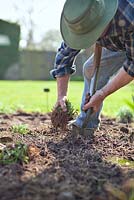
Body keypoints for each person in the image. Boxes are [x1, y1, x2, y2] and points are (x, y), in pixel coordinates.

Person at [50, 0, 134, 134]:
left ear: (103, 20)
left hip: (129, 36)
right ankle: (87, 124)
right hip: (120, 43)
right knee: (90, 69)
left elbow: (132, 66)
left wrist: (102, 94)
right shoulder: (82, 19)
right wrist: (62, 96)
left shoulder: (129, 15)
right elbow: (63, 58)